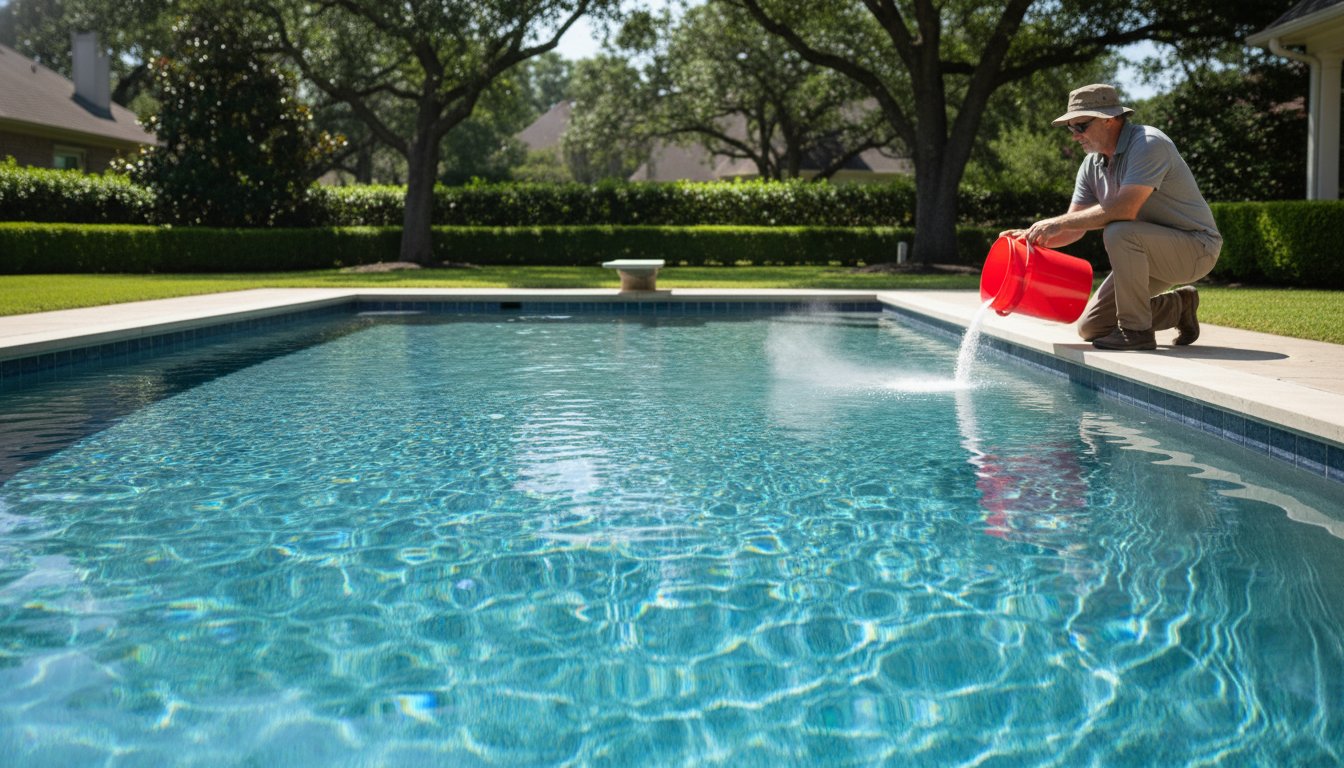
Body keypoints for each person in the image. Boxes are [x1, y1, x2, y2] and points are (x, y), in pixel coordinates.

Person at [1001, 83, 1222, 351]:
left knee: (1118, 231)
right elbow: (1074, 227)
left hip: (1196, 248)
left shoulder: (1148, 144)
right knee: (1092, 327)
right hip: (1144, 252)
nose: (1074, 136)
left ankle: (1136, 332)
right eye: (1070, 128)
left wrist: (1056, 223)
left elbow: (1124, 209)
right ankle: (1179, 308)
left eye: (1081, 126)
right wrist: (1031, 239)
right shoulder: (1091, 165)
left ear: (1111, 120)